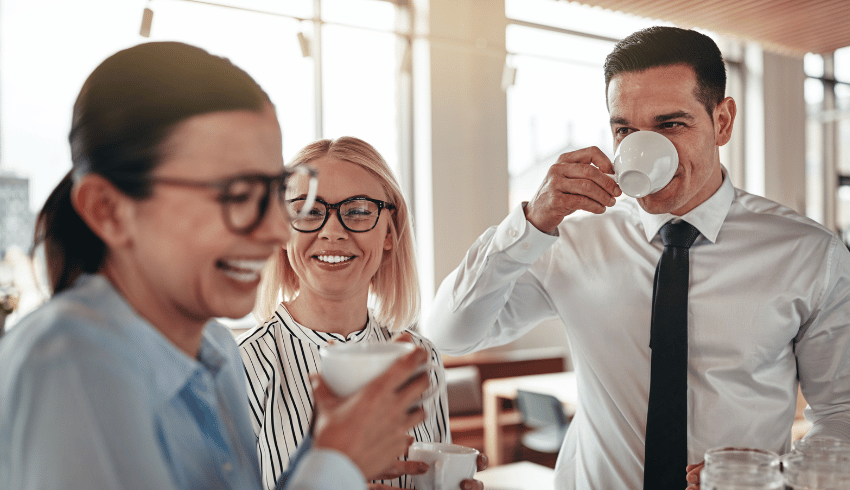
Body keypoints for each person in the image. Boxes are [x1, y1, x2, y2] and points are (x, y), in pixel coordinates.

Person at [422, 26, 850, 490]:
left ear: (722, 121)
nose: (644, 148)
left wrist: (769, 477)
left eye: (670, 124)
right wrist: (530, 223)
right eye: (625, 129)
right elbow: (450, 333)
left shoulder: (809, 253)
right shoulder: (570, 238)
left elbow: (841, 415)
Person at [0, 42, 432, 490]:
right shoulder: (66, 365)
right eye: (236, 194)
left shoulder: (216, 349)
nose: (275, 231)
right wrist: (337, 465)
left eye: (274, 191)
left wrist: (321, 453)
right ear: (109, 210)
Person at [239, 137, 485, 490]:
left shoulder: (421, 358)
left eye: (357, 211)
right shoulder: (243, 365)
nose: (333, 231)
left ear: (390, 231)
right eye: (308, 211)